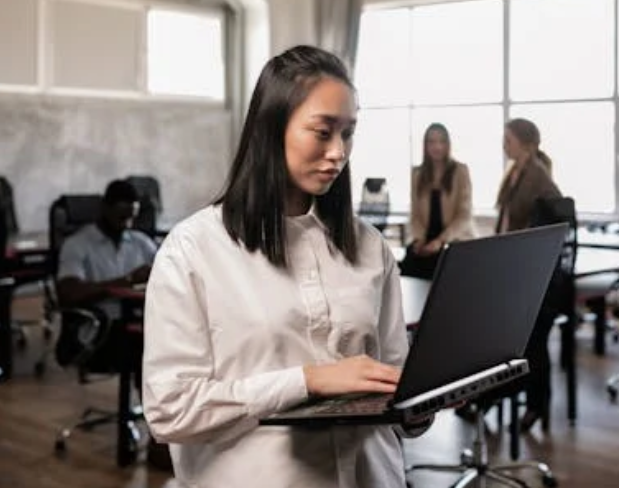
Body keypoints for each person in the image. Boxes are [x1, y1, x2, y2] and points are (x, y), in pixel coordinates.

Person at [142, 46, 426, 488]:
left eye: (348, 133)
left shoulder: (370, 247)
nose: (338, 153)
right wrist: (308, 381)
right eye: (322, 131)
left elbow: (394, 381)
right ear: (271, 130)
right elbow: (170, 411)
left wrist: (423, 401)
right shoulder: (193, 249)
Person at [55, 179, 166, 465]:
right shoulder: (78, 244)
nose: (127, 222)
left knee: (171, 343)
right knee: (148, 348)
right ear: (104, 209)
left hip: (137, 323)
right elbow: (68, 292)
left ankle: (171, 429)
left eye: (132, 215)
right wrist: (125, 281)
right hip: (95, 333)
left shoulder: (141, 243)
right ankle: (159, 439)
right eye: (120, 215)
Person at [495, 118, 562, 434]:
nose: (504, 144)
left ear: (525, 142)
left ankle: (537, 405)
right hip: (518, 273)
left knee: (535, 343)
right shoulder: (516, 175)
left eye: (508, 139)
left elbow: (548, 227)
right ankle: (493, 395)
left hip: (539, 279)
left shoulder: (539, 178)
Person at [399, 122, 477, 279]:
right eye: (432, 142)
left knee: (444, 264)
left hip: (453, 239)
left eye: (441, 141)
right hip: (425, 239)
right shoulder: (417, 174)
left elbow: (464, 216)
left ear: (448, 144)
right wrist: (420, 239)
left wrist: (440, 241)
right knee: (410, 264)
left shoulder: (460, 171)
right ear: (425, 146)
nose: (437, 146)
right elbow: (415, 215)